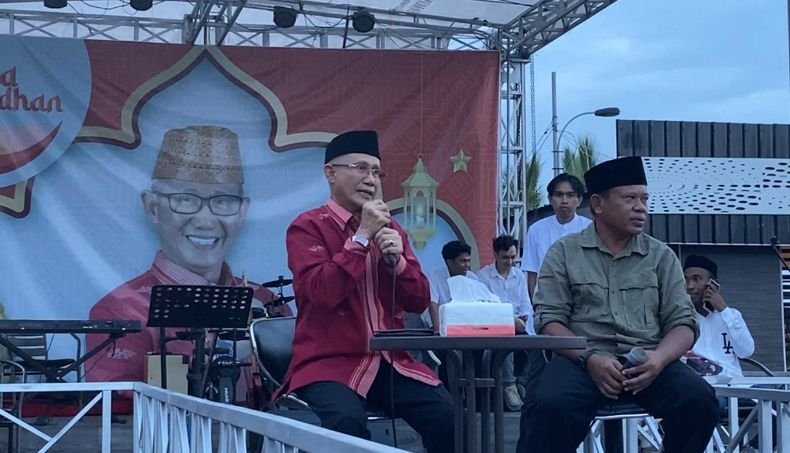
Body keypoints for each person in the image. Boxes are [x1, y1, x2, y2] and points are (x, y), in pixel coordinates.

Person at [518, 156, 719, 453]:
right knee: (549, 404)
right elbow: (549, 321)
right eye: (629, 199)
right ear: (598, 205)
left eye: (644, 199)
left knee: (700, 401)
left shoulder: (661, 256)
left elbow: (683, 323)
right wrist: (589, 359)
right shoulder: (564, 253)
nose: (641, 207)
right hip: (580, 360)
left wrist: (659, 359)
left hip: (647, 360)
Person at [278, 130, 454, 452]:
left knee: (448, 415)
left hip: (389, 361)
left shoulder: (392, 229)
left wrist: (398, 264)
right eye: (360, 168)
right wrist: (360, 239)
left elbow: (418, 300)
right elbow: (320, 294)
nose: (370, 179)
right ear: (330, 173)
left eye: (376, 171)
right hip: (328, 362)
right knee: (346, 424)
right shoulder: (308, 226)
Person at [85, 126, 289, 392]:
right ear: (152, 207)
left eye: (223, 201)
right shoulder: (120, 311)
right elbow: (115, 403)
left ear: (242, 211)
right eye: (185, 199)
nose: (205, 220)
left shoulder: (268, 304)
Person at [477, 234, 534, 411]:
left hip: (519, 323)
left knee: (539, 346)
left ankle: (522, 383)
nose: (510, 262)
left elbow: (525, 303)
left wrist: (524, 316)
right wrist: (510, 320)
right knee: (507, 341)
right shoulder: (483, 276)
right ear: (495, 255)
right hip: (495, 325)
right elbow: (486, 308)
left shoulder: (519, 275)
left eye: (512, 257)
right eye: (505, 258)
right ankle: (509, 385)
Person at [683, 254, 755, 378]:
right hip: (700, 385)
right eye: (686, 280)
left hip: (735, 385)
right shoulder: (680, 319)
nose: (690, 286)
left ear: (712, 284)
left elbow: (746, 352)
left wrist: (724, 309)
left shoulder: (731, 316)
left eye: (696, 279)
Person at [521, 173, 591, 298]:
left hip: (582, 298)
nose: (564, 201)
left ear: (579, 200)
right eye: (559, 195)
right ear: (550, 199)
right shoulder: (536, 230)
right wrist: (535, 303)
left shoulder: (590, 228)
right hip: (546, 299)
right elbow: (532, 271)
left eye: (570, 195)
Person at [422, 240, 479, 332]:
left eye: (469, 261)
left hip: (462, 325)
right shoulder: (434, 275)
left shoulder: (473, 278)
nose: (467, 265)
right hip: (437, 323)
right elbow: (433, 304)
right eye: (463, 261)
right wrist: (438, 333)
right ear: (449, 262)